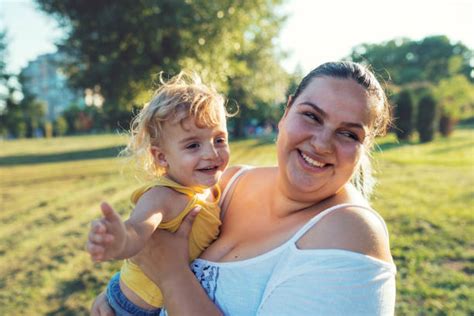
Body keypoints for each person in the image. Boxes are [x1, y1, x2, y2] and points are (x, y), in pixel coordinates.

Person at [89, 61, 397, 315]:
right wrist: (119, 296)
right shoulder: (227, 183)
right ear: (286, 112)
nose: (321, 144)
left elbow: (160, 257)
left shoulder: (351, 235)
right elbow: (150, 239)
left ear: (365, 146)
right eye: (311, 116)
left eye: (348, 134)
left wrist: (170, 274)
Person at [87, 71, 230, 315]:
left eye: (219, 139)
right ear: (161, 157)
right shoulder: (163, 196)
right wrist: (120, 240)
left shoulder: (211, 190)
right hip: (129, 307)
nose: (211, 153)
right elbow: (138, 230)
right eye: (193, 145)